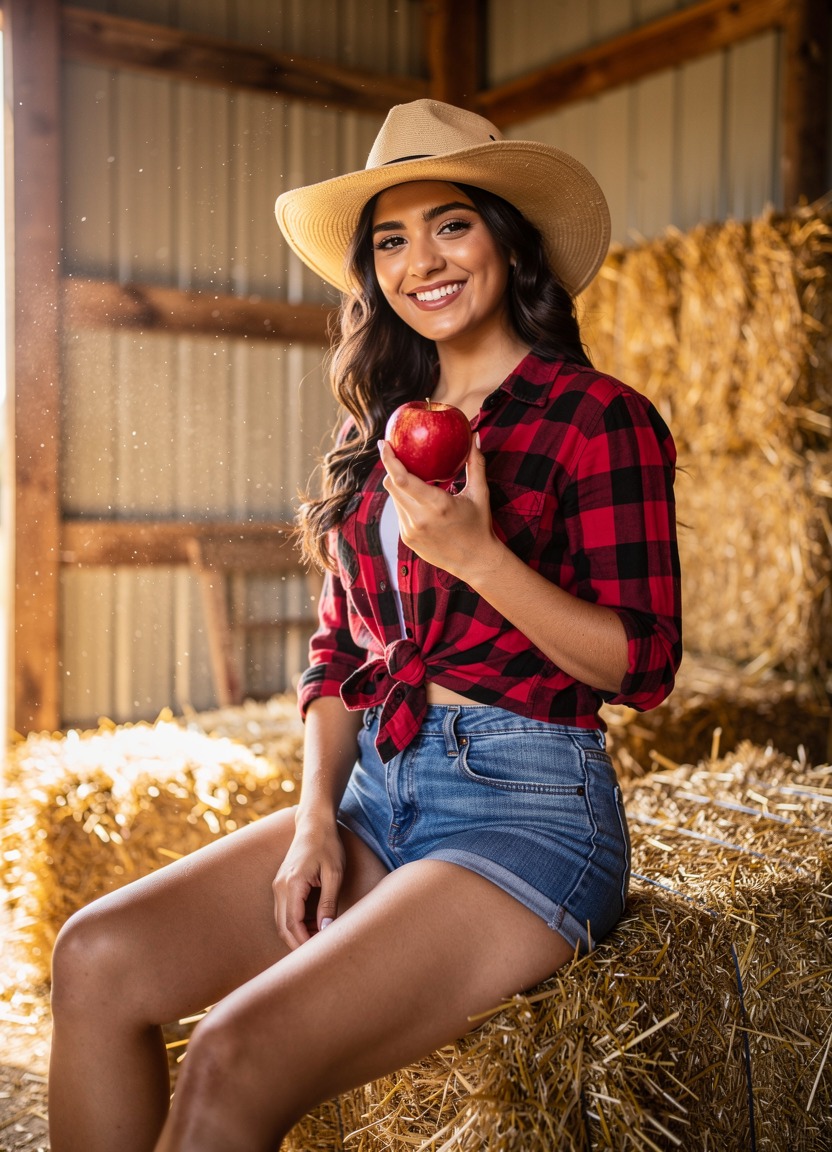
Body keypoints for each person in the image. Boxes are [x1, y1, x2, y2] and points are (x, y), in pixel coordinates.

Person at [47, 99, 681, 1152]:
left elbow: (643, 663)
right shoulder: (374, 428)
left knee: (231, 1057)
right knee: (95, 955)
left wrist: (477, 555)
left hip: (524, 807)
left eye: (450, 225)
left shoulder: (594, 417)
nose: (418, 261)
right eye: (390, 238)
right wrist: (310, 821)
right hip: (371, 793)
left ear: (506, 238)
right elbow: (339, 656)